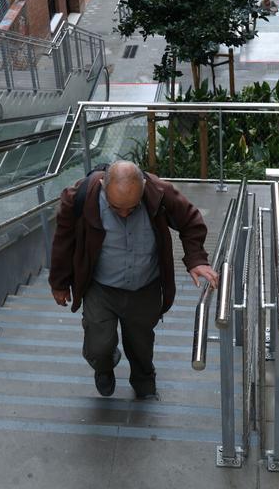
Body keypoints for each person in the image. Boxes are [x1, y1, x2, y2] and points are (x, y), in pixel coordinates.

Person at [49, 161, 218, 400]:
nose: (125, 214)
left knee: (141, 344)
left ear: (143, 186)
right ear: (103, 185)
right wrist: (59, 282)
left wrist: (196, 259)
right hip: (101, 288)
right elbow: (63, 239)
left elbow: (190, 221)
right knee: (98, 345)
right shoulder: (79, 196)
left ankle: (144, 381)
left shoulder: (159, 192)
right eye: (116, 208)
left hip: (145, 287)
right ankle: (104, 366)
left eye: (132, 207)